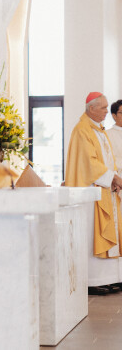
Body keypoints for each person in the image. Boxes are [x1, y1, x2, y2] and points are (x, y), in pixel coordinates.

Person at [66, 92, 122, 295]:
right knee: (91, 234)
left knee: (106, 230)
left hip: (104, 188)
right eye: (104, 108)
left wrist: (113, 178)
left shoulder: (98, 129)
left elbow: (108, 160)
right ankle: (91, 280)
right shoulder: (82, 130)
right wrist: (113, 178)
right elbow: (88, 163)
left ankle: (108, 278)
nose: (107, 111)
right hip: (90, 191)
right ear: (91, 108)